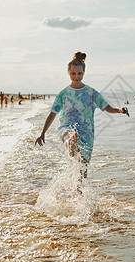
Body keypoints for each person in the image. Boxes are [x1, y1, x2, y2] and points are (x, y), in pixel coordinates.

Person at [35, 52, 129, 193]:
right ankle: (71, 143)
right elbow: (52, 113)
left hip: (86, 133)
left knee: (83, 167)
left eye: (79, 73)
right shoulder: (64, 94)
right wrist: (42, 133)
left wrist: (120, 110)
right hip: (67, 127)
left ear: (84, 73)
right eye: (73, 73)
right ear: (68, 73)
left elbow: (107, 108)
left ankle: (80, 194)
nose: (76, 77)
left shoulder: (91, 93)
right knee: (68, 133)